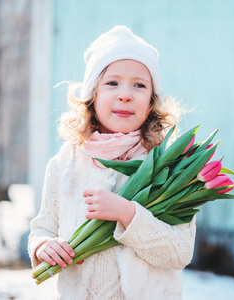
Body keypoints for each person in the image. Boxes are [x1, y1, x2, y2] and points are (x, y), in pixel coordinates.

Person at [28, 25, 196, 300]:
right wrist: (42, 245)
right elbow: (43, 226)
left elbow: (180, 252)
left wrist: (128, 214)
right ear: (91, 95)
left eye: (139, 85)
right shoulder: (64, 164)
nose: (125, 94)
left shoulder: (169, 166)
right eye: (112, 82)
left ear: (152, 100)